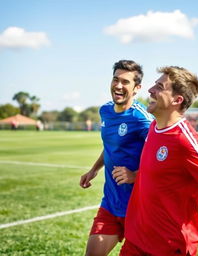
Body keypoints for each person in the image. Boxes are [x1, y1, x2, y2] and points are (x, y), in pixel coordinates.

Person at [120, 66, 198, 256]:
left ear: (177, 99)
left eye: (159, 86)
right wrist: (135, 175)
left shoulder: (185, 142)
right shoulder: (153, 128)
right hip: (135, 242)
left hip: (168, 247)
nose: (151, 90)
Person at [80, 60, 153, 256]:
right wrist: (94, 169)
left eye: (125, 82)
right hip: (111, 203)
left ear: (137, 88)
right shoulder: (105, 111)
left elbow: (160, 157)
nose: (118, 86)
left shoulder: (143, 119)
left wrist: (135, 175)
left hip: (139, 209)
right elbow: (110, 146)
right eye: (115, 79)